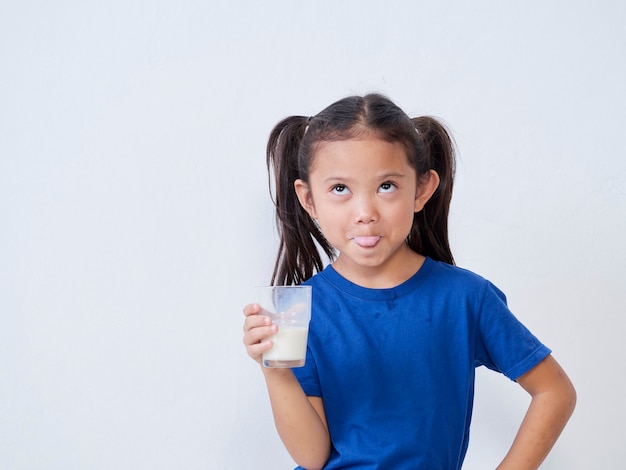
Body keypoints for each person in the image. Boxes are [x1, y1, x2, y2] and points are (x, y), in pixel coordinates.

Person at [242, 93, 576, 470]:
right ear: (309, 199)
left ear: (421, 190)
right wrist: (277, 372)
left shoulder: (466, 298)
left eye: (386, 186)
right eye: (340, 189)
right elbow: (313, 456)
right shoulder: (300, 310)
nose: (365, 213)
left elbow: (554, 391)